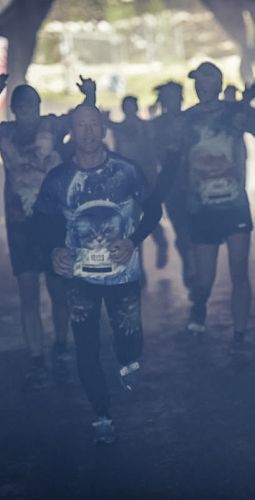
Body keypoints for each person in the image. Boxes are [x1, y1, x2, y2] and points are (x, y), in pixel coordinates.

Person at [33, 104, 162, 445]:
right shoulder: (59, 179)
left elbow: (153, 210)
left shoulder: (126, 170)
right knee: (86, 347)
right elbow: (40, 222)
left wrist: (133, 241)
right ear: (72, 132)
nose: (88, 132)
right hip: (80, 277)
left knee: (129, 343)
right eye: (81, 126)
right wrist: (53, 251)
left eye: (94, 125)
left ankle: (128, 360)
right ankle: (102, 415)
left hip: (123, 274)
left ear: (104, 129)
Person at [0, 74, 95, 389]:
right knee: (28, 294)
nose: (29, 114)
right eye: (23, 109)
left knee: (58, 291)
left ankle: (61, 344)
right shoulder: (5, 133)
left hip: (54, 224)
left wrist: (90, 95)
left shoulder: (51, 127)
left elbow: (82, 120)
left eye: (33, 108)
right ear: (14, 110)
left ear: (39, 107)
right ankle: (37, 358)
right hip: (20, 226)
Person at [180, 61, 255, 342]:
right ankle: (199, 306)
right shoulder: (187, 119)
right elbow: (177, 162)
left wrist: (249, 103)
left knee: (239, 272)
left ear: (217, 84)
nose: (200, 86)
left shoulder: (233, 113)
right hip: (201, 208)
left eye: (206, 80)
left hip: (235, 205)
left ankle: (239, 334)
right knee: (204, 280)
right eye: (197, 81)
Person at [106, 95, 168, 273]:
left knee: (147, 218)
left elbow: (154, 151)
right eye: (127, 107)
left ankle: (160, 243)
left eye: (131, 107)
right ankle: (140, 268)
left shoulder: (145, 127)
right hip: (128, 181)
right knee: (133, 223)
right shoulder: (123, 128)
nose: (130, 110)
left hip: (146, 179)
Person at [150, 82, 196, 292]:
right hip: (172, 185)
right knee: (181, 228)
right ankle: (189, 263)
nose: (173, 101)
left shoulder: (191, 119)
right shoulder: (156, 125)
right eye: (168, 97)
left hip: (196, 182)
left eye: (175, 97)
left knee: (193, 230)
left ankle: (193, 267)